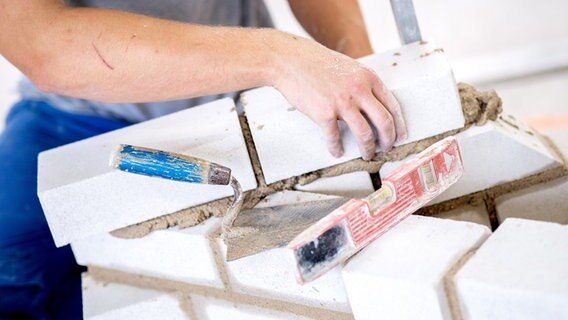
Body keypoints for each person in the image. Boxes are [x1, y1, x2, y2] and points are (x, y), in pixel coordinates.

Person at [0, 0, 407, 318]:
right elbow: (43, 44)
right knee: (12, 278)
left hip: (233, 104)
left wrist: (352, 57)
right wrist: (278, 57)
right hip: (72, 115)